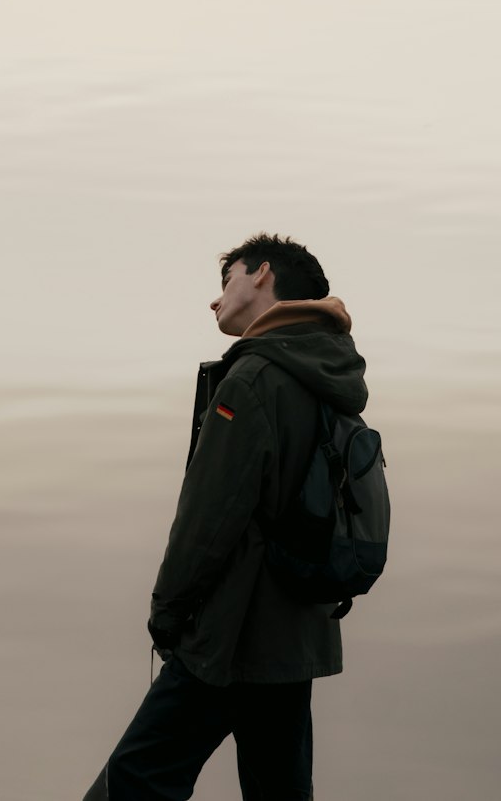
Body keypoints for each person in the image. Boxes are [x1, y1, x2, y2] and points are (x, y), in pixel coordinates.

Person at [82, 231, 370, 800]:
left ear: (262, 275)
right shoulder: (330, 376)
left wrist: (168, 610)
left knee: (134, 782)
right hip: (296, 632)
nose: (216, 300)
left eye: (227, 279)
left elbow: (210, 514)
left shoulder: (255, 377)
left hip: (230, 631)